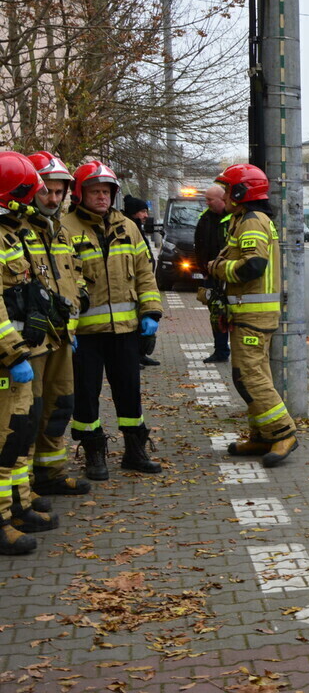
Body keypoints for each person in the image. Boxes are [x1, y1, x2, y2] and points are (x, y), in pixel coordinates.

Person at [61, 161, 163, 480]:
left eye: (106, 191)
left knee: (129, 392)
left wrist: (151, 313)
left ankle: (135, 451)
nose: (102, 197)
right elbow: (63, 277)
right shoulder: (65, 228)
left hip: (125, 331)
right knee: (86, 397)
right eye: (95, 191)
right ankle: (94, 454)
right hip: (85, 334)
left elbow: (145, 273)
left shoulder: (128, 227)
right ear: (80, 194)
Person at [209, 164, 297, 467]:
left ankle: (283, 432)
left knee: (250, 377)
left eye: (228, 188)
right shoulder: (244, 220)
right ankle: (262, 435)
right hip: (248, 313)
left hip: (254, 314)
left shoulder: (252, 222)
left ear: (241, 192)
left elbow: (253, 266)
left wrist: (218, 268)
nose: (224, 194)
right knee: (250, 375)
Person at [25, 152, 90, 498]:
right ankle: (23, 486)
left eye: (58, 192)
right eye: (46, 191)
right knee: (28, 414)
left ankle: (50, 472)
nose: (53, 199)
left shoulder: (58, 231)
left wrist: (79, 297)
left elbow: (72, 273)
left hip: (62, 337)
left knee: (59, 406)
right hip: (30, 343)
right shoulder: (16, 231)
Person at [0, 151, 55, 554]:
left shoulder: (10, 232)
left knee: (19, 435)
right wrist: (14, 353)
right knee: (4, 441)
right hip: (7, 358)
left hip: (16, 354)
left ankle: (16, 507)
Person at [194, 185, 230, 363]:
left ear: (221, 199)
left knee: (232, 314)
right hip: (211, 275)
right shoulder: (205, 218)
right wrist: (203, 270)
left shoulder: (233, 218)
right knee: (216, 314)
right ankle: (221, 350)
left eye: (209, 199)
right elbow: (199, 244)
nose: (206, 203)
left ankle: (232, 349)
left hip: (229, 275)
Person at [122, 195, 159, 367]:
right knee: (134, 326)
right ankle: (135, 356)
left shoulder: (137, 228)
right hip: (132, 288)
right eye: (142, 212)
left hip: (141, 286)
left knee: (142, 326)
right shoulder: (128, 229)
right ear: (133, 212)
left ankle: (141, 354)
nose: (145, 215)